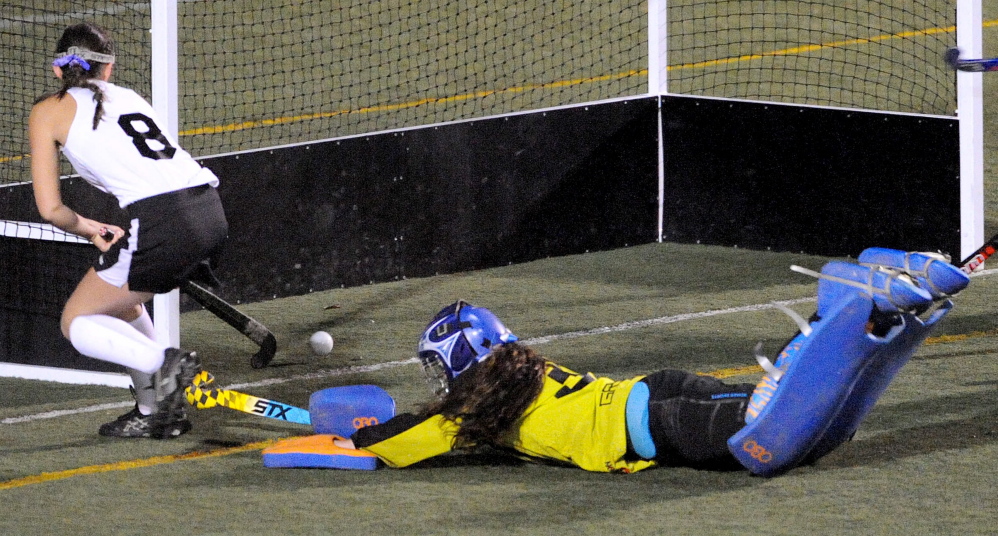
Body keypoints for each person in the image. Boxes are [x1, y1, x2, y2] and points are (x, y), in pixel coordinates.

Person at [333, 249, 969, 474]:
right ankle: (893, 301)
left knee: (763, 440)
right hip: (650, 395)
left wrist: (357, 439)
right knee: (795, 427)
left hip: (652, 426)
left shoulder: (469, 414)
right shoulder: (516, 373)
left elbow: (398, 442)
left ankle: (824, 334)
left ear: (458, 359)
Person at [28, 22, 226, 439]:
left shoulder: (47, 111)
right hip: (208, 208)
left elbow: (50, 209)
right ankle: (152, 409)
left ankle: (166, 364)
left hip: (162, 222)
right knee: (121, 304)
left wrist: (86, 227)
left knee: (76, 323)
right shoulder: (130, 97)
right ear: (109, 68)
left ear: (57, 70)